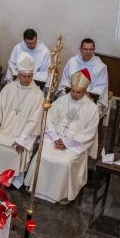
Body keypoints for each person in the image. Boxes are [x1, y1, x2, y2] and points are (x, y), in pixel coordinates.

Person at [31, 69, 99, 203]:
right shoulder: (62, 101)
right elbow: (49, 119)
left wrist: (67, 142)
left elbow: (89, 132)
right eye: (73, 91)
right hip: (55, 138)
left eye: (79, 92)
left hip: (74, 144)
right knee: (42, 156)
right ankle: (38, 189)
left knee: (65, 162)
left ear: (85, 91)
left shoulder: (92, 108)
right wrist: (56, 138)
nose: (75, 95)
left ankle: (60, 194)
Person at [0, 53, 44, 182]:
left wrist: (22, 139)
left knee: (16, 149)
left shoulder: (38, 94)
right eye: (24, 76)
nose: (27, 79)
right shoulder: (9, 88)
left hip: (23, 133)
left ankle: (9, 179)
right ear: (18, 75)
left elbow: (34, 120)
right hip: (5, 129)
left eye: (30, 76)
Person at [60, 38, 109, 106]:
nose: (88, 52)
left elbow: (100, 87)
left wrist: (84, 95)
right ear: (80, 49)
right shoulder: (72, 61)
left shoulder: (101, 67)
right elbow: (65, 80)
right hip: (71, 95)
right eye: (85, 49)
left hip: (89, 98)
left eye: (91, 49)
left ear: (94, 50)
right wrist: (72, 93)